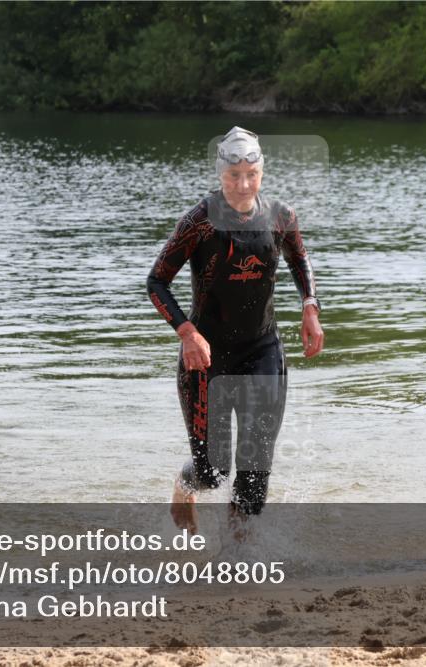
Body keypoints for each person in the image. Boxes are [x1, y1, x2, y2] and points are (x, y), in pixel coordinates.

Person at [147, 126, 324, 536]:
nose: (243, 185)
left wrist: (310, 306)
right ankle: (183, 488)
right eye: (233, 176)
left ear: (262, 172)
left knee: (255, 469)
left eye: (252, 175)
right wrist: (187, 333)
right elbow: (157, 281)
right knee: (212, 472)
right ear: (220, 174)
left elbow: (299, 259)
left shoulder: (280, 216)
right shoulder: (199, 222)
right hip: (206, 358)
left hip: (262, 349)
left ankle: (236, 553)